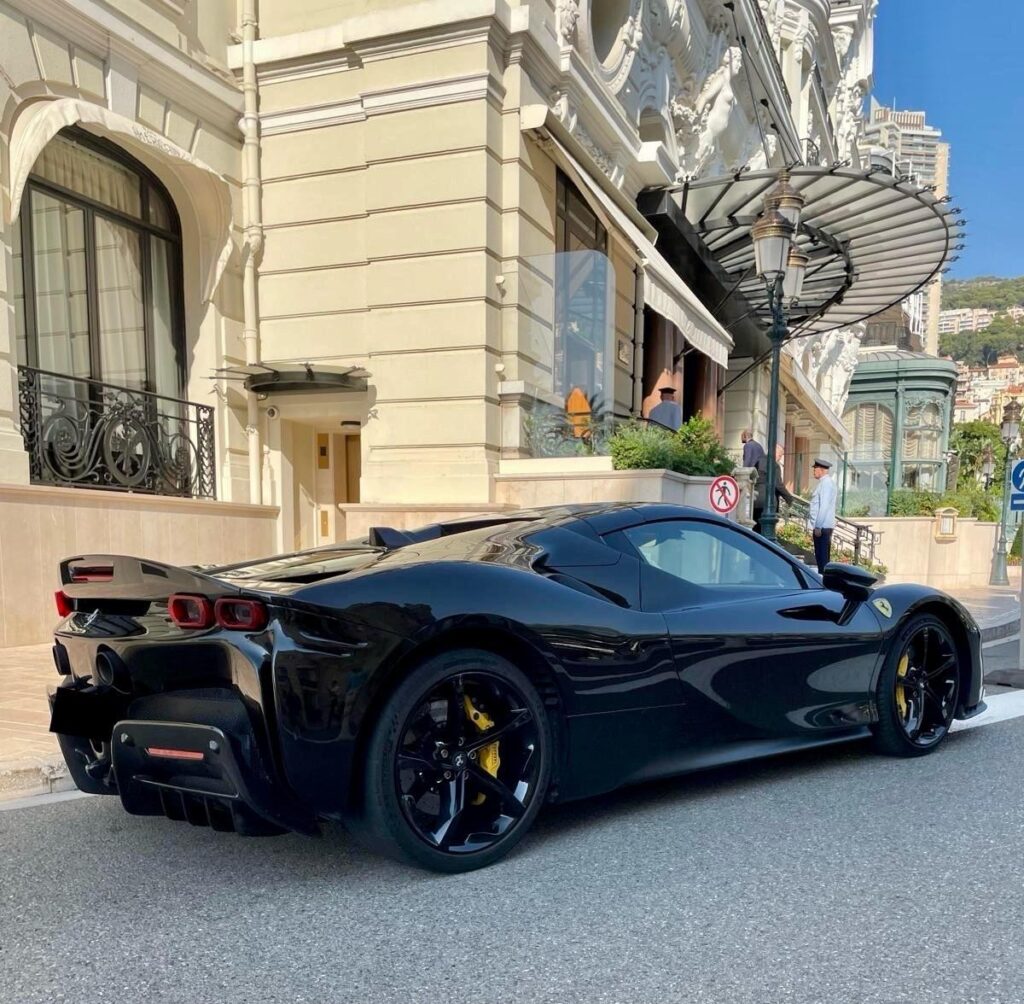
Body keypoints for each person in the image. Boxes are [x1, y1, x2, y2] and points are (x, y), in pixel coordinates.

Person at [752, 443, 795, 535]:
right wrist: (789, 499)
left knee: (755, 532)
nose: (780, 458)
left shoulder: (758, 461)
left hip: (755, 501)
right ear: (774, 452)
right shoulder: (774, 465)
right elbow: (778, 485)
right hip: (768, 504)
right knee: (767, 533)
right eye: (780, 455)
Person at [808, 458, 837, 573]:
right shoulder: (824, 483)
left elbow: (824, 506)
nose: (814, 471)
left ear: (822, 470)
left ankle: (824, 581)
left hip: (822, 527)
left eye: (815, 469)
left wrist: (818, 526)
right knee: (820, 558)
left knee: (822, 559)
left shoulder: (826, 484)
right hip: (821, 527)